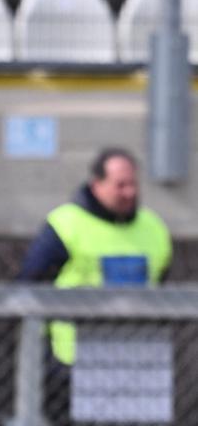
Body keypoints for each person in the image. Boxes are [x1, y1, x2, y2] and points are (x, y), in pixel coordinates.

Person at [18, 147, 172, 366]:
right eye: (120, 185)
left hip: (139, 357)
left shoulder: (154, 227)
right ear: (97, 184)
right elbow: (29, 285)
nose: (129, 192)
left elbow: (163, 286)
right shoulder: (66, 224)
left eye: (133, 184)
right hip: (71, 358)